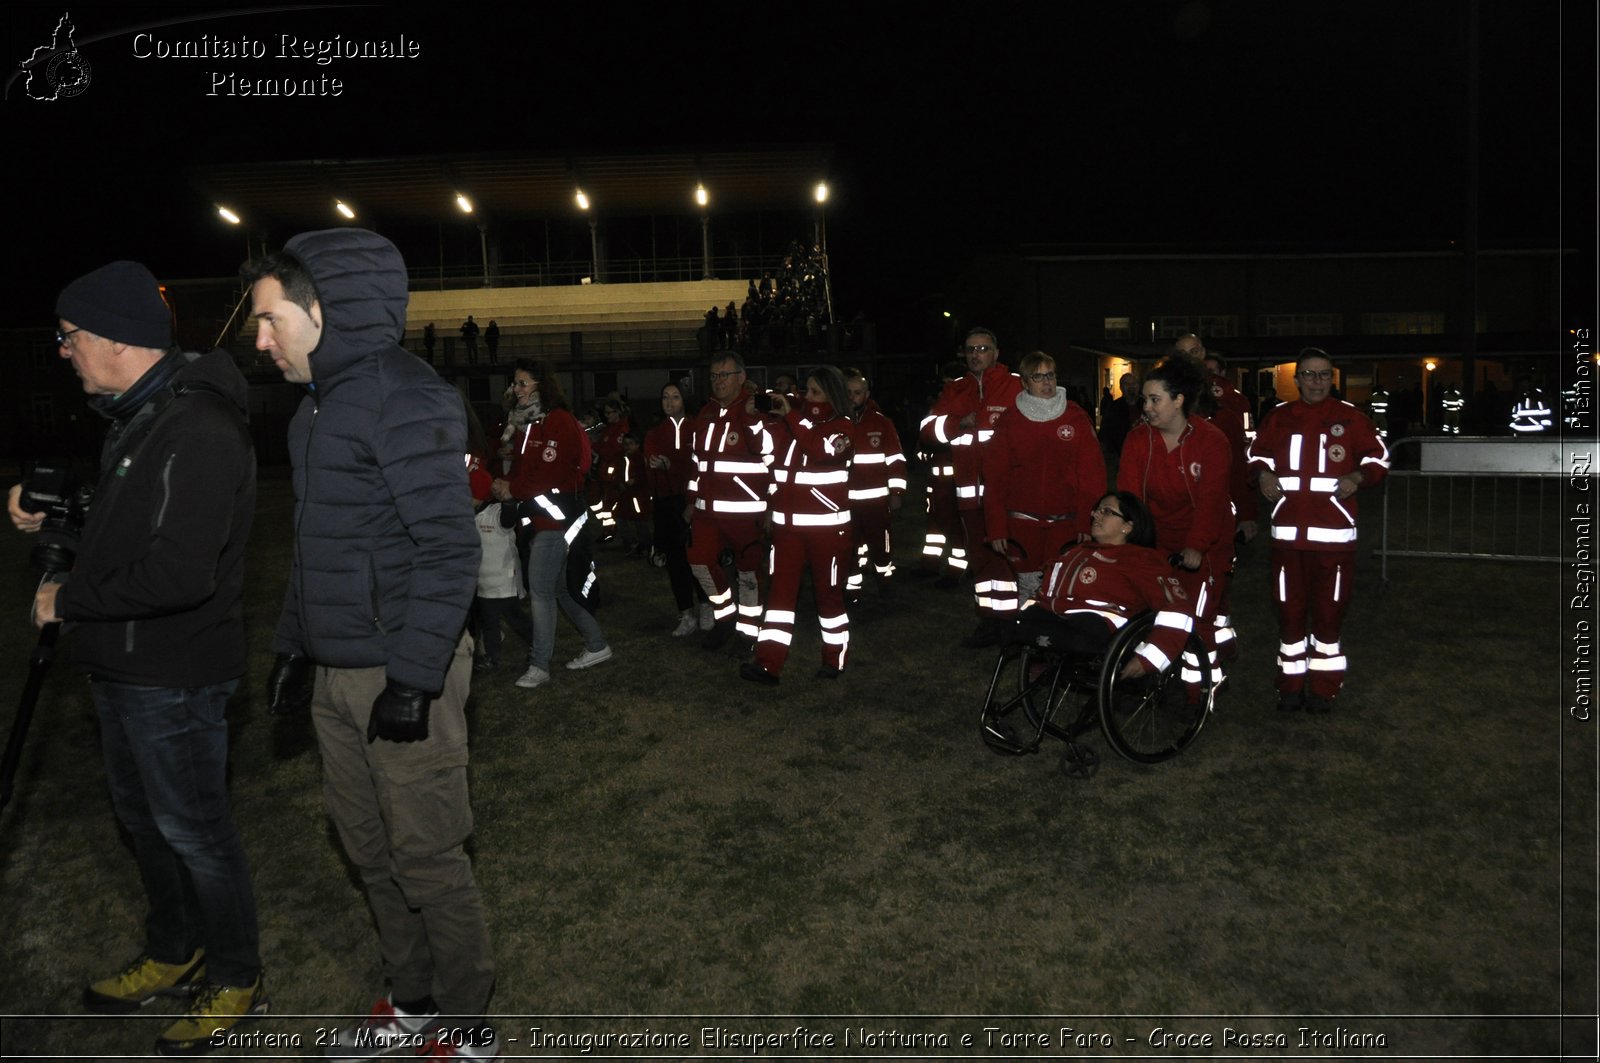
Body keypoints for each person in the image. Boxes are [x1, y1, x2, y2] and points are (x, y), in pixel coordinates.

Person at [246, 230, 497, 1060]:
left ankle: (467, 1027)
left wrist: (417, 677)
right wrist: (291, 647)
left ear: (324, 313)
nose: (260, 339)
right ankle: (414, 1001)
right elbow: (314, 548)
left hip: (402, 667)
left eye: (270, 319)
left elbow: (449, 548)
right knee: (369, 848)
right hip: (337, 672)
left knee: (425, 854)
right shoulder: (313, 410)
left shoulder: (405, 395)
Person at [7, 261, 262, 1054]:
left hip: (173, 676)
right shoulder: (140, 416)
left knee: (195, 832)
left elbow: (179, 571)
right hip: (121, 665)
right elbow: (133, 535)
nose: (62, 350)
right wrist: (64, 517)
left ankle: (234, 972)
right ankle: (173, 944)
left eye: (70, 336)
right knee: (146, 825)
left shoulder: (199, 428)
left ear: (118, 340)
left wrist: (69, 599)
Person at [1247, 348, 1389, 714]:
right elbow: (1255, 455)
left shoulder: (1351, 418)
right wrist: (1262, 473)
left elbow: (1379, 457)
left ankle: (1324, 689)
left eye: (1323, 374)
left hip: (1334, 541)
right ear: (1296, 379)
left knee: (1329, 616)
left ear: (1333, 378)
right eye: (1309, 375)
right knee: (1289, 614)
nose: (1316, 381)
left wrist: (1359, 475)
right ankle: (1290, 688)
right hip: (1287, 539)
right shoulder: (1279, 417)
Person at [491, 363, 614, 691]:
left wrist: (512, 489)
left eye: (522, 382)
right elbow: (527, 467)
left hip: (556, 520)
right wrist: (509, 482)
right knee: (557, 589)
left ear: (541, 386)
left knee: (541, 590)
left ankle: (539, 664)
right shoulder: (528, 421)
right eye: (514, 383)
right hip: (545, 518)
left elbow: (550, 470)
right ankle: (597, 644)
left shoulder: (556, 420)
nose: (516, 388)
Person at [1117, 357, 1234, 692]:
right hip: (1156, 541)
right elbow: (1129, 496)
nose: (1147, 407)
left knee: (1196, 620)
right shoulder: (1139, 440)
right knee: (1151, 610)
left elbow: (1212, 502)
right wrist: (1129, 541)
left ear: (1179, 399)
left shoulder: (1210, 441)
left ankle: (1200, 690)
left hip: (1205, 544)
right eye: (1145, 400)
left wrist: (1197, 547)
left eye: (1155, 400)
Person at [741, 367, 857, 684]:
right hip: (788, 530)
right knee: (779, 597)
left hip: (829, 532)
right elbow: (761, 448)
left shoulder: (843, 428)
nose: (809, 397)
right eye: (807, 390)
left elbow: (820, 450)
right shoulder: (792, 423)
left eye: (816, 392)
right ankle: (767, 664)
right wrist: (755, 418)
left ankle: (834, 659)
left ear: (833, 395)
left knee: (829, 597)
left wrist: (793, 416)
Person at [1009, 491, 1196, 675]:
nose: (1095, 515)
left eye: (1106, 511)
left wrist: (1149, 659)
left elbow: (1177, 611)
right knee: (1015, 622)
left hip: (1097, 631)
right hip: (1057, 624)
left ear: (1127, 527)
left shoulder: (1142, 560)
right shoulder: (1075, 553)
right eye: (1096, 510)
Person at [920, 327, 1023, 646]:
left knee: (1011, 559)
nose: (976, 354)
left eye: (983, 348)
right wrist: (955, 424)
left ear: (996, 352)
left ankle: (1014, 622)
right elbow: (927, 429)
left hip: (1008, 495)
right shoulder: (955, 390)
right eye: (970, 349)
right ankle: (989, 620)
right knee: (980, 559)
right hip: (969, 495)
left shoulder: (1016, 385)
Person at [982, 351, 1106, 609]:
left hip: (1066, 525)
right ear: (1025, 383)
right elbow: (994, 478)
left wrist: (1088, 521)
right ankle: (1026, 641)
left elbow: (1092, 476)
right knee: (1027, 590)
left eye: (1050, 375)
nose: (1046, 382)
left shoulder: (1075, 417)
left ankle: (1056, 642)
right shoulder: (1010, 420)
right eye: (1038, 377)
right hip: (1021, 524)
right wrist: (996, 527)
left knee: (1060, 588)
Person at [685, 350, 776, 649]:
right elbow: (697, 462)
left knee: (748, 572)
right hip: (706, 512)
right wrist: (691, 498)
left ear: (741, 377)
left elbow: (772, 456)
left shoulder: (755, 409)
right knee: (699, 562)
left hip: (745, 512)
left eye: (723, 375)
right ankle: (726, 619)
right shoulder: (707, 412)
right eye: (713, 376)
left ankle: (748, 633)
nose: (717, 381)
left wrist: (772, 507)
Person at [645, 383, 705, 636]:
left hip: (692, 501)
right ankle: (686, 613)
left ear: (684, 400)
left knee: (699, 557)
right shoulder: (655, 433)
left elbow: (701, 464)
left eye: (675, 397)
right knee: (676, 560)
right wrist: (655, 464)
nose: (669, 402)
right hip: (667, 502)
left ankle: (707, 606)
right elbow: (649, 465)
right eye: (665, 397)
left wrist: (673, 465)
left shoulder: (697, 429)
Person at [843, 368, 907, 600]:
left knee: (881, 546)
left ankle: (885, 583)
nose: (852, 397)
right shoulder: (835, 424)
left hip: (876, 502)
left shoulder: (881, 423)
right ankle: (852, 590)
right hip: (844, 501)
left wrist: (897, 492)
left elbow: (896, 459)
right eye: (848, 392)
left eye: (857, 392)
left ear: (867, 393)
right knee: (848, 548)